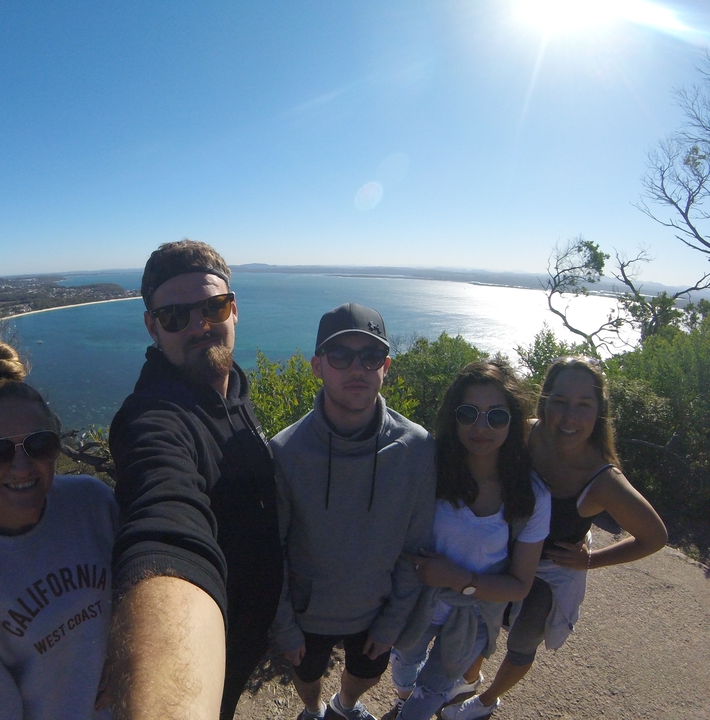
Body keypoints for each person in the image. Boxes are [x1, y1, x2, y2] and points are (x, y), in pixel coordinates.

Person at [108, 240, 283, 720]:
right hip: (209, 642)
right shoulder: (151, 419)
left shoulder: (234, 388)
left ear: (234, 309)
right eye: (174, 316)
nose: (199, 325)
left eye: (213, 307)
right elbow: (164, 525)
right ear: (152, 326)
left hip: (252, 630)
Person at [442, 356, 667, 720]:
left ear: (599, 412)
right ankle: (468, 679)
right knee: (483, 621)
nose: (568, 417)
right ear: (543, 400)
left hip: (549, 573)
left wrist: (590, 560)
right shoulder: (527, 435)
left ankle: (485, 701)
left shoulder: (602, 479)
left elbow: (654, 536)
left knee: (522, 641)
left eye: (583, 405)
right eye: (560, 401)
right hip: (507, 552)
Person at [0, 340, 117, 720]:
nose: (21, 467)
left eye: (39, 444)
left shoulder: (93, 505)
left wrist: (130, 652)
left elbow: (143, 585)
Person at [271, 303, 436, 720]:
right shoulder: (286, 452)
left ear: (386, 367)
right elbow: (272, 552)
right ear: (317, 367)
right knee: (306, 675)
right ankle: (313, 711)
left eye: (371, 356)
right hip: (308, 613)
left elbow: (416, 547)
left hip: (376, 609)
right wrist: (285, 626)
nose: (357, 369)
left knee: (365, 674)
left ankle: (343, 707)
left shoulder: (415, 448)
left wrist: (392, 622)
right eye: (340, 356)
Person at [386, 361, 550, 720]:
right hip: (417, 603)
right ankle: (402, 697)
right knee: (404, 662)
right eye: (468, 413)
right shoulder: (429, 470)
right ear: (453, 416)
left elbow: (520, 585)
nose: (481, 427)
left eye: (497, 416)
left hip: (474, 613)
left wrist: (460, 579)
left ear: (514, 421)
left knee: (431, 692)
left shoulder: (530, 496)